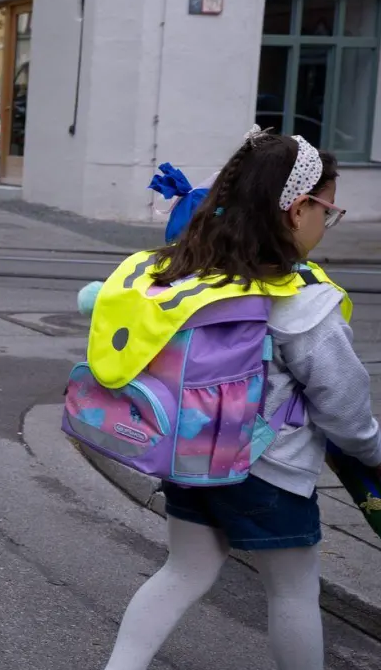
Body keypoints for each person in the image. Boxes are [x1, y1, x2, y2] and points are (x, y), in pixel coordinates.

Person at [101, 131, 381, 670]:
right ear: (299, 210)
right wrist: (371, 452)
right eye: (330, 209)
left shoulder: (195, 275)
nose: (328, 222)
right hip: (270, 476)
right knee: (294, 592)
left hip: (190, 458)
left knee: (183, 571)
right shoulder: (305, 302)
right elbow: (345, 408)